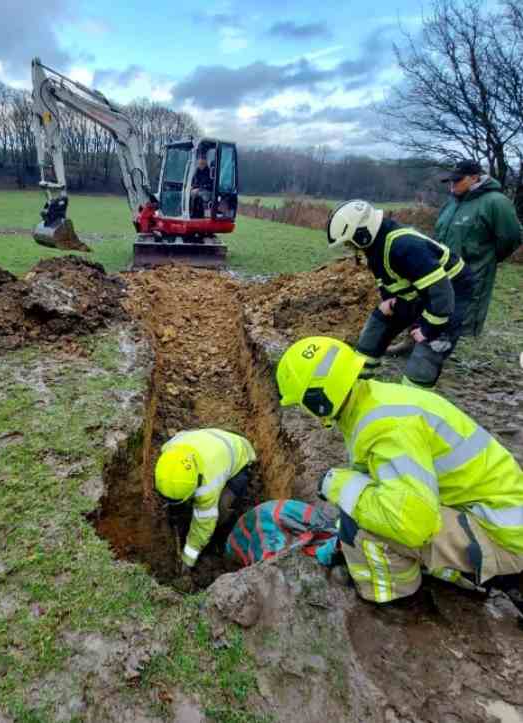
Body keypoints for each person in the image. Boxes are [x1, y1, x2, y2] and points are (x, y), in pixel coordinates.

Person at [275, 335, 523, 615]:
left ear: (318, 401)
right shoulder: (373, 400)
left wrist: (340, 487)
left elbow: (412, 523)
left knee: (360, 523)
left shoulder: (385, 428)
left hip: (502, 536)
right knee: (361, 502)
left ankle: (391, 595)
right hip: (497, 516)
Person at [327, 199, 474, 388]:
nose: (350, 248)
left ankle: (413, 396)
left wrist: (428, 328)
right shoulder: (375, 248)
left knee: (428, 351)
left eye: (349, 242)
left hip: (452, 292)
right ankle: (357, 383)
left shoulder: (405, 247)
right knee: (378, 322)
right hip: (423, 290)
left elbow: (442, 293)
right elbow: (387, 279)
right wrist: (388, 300)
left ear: (362, 234)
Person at [154, 429, 256, 590]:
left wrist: (188, 559)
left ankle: (220, 535)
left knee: (221, 510)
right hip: (210, 439)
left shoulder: (209, 484)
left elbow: (204, 525)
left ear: (197, 482)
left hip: (239, 456)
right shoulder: (169, 454)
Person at [435, 159, 522, 337]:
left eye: (458, 180)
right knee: (441, 304)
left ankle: (457, 342)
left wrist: (487, 256)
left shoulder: (496, 202)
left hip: (475, 267)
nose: (453, 185)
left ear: (474, 178)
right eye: (451, 180)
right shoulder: (452, 201)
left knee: (465, 310)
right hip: (444, 266)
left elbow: (511, 236)